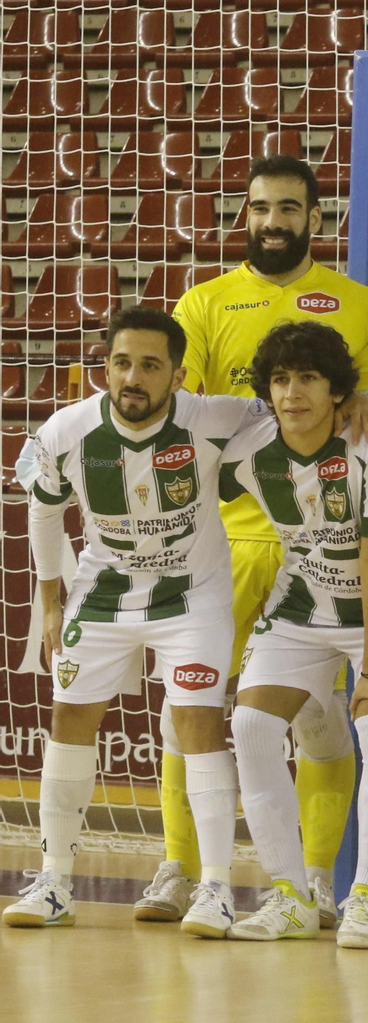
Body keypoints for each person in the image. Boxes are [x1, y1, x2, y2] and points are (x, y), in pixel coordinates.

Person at [154, 154, 368, 928]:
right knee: (189, 705)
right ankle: (184, 870)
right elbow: (178, 415)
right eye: (260, 208)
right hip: (220, 540)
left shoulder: (358, 305)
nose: (272, 222)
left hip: (317, 548)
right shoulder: (204, 302)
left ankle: (317, 878)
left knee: (318, 721)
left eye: (288, 209)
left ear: (314, 219)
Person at [2, 309, 263, 937]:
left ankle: (218, 891)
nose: (133, 378)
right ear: (106, 368)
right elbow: (42, 509)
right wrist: (49, 598)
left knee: (198, 723)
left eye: (150, 365)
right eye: (122, 363)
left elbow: (288, 414)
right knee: (69, 721)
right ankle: (55, 881)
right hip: (102, 595)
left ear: (177, 375)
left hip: (192, 598)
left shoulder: (215, 418)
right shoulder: (66, 430)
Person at [219, 320, 368, 949]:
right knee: (252, 726)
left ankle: (366, 893)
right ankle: (289, 896)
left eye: (310, 378)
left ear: (338, 389)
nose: (293, 392)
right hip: (300, 607)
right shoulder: (248, 448)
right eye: (282, 380)